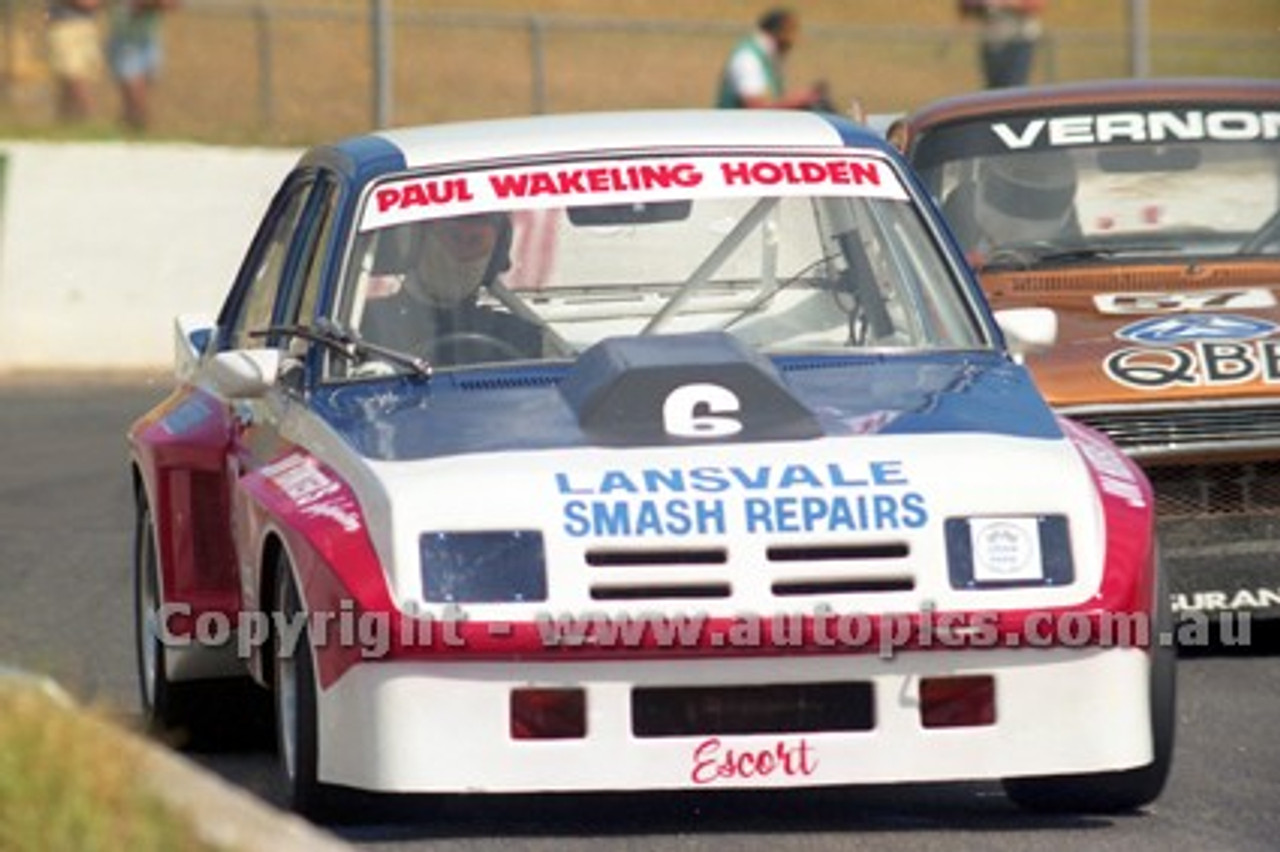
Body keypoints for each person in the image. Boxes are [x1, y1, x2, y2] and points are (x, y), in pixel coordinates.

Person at [359, 213, 545, 366]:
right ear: (415, 245)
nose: (461, 256)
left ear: (494, 257)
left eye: (475, 242)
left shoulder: (520, 338)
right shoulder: (362, 330)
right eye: (454, 238)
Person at [944, 150, 1078, 263]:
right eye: (1011, 198)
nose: (1024, 208)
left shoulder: (1077, 259)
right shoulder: (946, 256)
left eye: (1039, 204)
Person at [715, 7, 827, 110]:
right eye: (792, 30)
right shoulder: (748, 57)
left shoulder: (767, 57)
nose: (795, 39)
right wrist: (797, 101)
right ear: (780, 30)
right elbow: (755, 108)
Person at [107, 0, 179, 131]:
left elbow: (172, 4)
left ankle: (130, 129)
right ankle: (139, 129)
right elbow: (134, 7)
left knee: (139, 95)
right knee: (135, 92)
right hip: (126, 41)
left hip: (148, 39)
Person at [962, 0, 1046, 89]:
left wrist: (1004, 3)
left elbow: (1036, 4)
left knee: (1013, 90)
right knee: (993, 92)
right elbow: (965, 7)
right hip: (991, 42)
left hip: (1018, 41)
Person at [45, 0, 103, 122]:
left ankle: (65, 124)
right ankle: (91, 121)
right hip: (64, 26)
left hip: (86, 25)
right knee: (74, 76)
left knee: (73, 81)